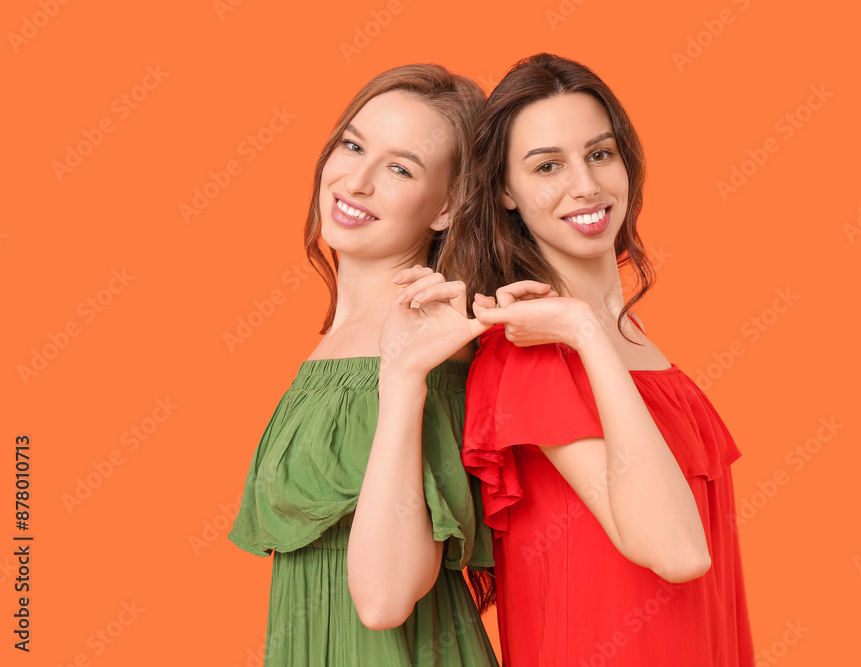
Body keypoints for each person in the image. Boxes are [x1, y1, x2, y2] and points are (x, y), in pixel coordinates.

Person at [440, 53, 754, 665]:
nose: (585, 184)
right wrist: (583, 329)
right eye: (547, 166)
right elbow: (677, 552)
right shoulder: (527, 356)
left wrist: (593, 331)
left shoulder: (633, 339)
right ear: (504, 191)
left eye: (600, 154)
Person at [228, 63, 498, 666]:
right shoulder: (341, 341)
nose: (356, 181)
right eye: (353, 146)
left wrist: (403, 378)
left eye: (400, 168)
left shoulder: (424, 351)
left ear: (448, 207)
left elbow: (383, 600)